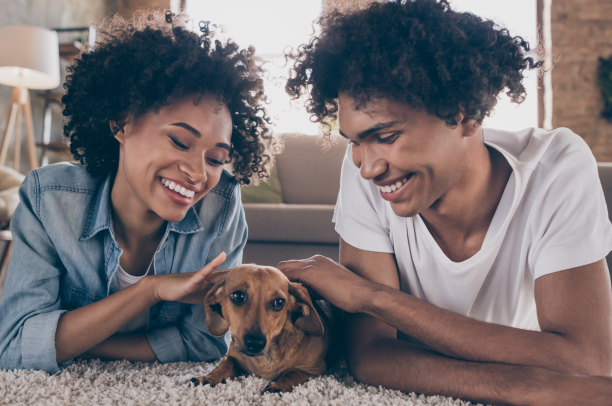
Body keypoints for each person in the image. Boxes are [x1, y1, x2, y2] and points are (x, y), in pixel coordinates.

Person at [279, 1, 612, 404]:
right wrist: (521, 384)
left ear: (467, 114)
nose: (367, 167)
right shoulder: (367, 175)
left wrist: (373, 297)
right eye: (355, 141)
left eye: (386, 136)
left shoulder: (556, 167)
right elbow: (369, 356)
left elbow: (586, 365)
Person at [0, 10, 277, 374]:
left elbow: (206, 342)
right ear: (120, 122)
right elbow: (15, 346)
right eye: (180, 142)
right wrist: (150, 290)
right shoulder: (47, 200)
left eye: (216, 158)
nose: (198, 174)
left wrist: (74, 339)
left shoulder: (221, 206)